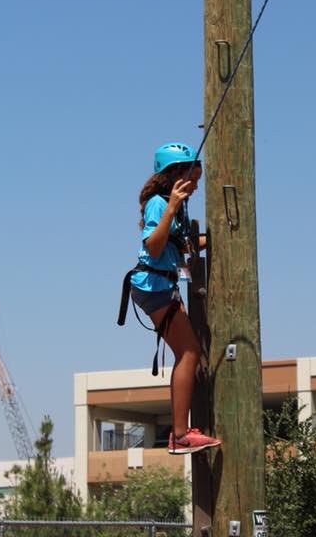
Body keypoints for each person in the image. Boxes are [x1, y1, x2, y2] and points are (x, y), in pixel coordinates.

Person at [128, 142, 221, 455]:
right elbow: (154, 247)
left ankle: (182, 432)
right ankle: (180, 435)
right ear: (174, 175)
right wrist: (170, 209)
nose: (195, 187)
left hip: (161, 285)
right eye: (191, 180)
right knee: (189, 352)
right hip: (153, 285)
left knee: (190, 351)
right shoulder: (160, 204)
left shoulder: (174, 205)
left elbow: (181, 246)